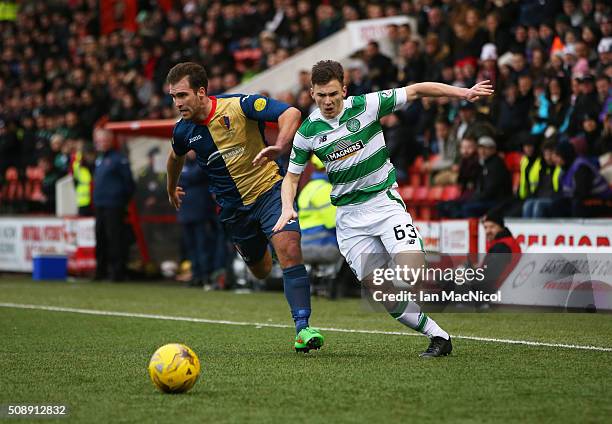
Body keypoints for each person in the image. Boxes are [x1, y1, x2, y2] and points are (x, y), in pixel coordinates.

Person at [274, 60, 494, 357]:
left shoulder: (367, 105)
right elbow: (291, 176)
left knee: (411, 273)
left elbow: (416, 90)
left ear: (344, 90)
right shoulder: (308, 132)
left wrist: (464, 93)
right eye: (321, 95)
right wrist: (287, 206)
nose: (327, 101)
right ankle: (438, 336)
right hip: (349, 220)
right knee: (381, 292)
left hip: (383, 204)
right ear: (311, 92)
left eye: (333, 94)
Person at [165, 62, 323, 352]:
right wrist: (170, 187)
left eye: (182, 95)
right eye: (174, 97)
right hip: (235, 211)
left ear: (201, 92)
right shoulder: (183, 131)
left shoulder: (240, 105)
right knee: (261, 270)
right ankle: (259, 248)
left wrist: (281, 145)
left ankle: (303, 328)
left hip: (269, 192)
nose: (177, 103)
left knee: (289, 247)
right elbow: (175, 157)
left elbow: (291, 113)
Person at [93, 128, 135, 282]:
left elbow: (129, 183)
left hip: (114, 205)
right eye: (98, 140)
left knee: (115, 239)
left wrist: (121, 200)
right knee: (100, 238)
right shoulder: (99, 159)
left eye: (103, 140)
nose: (100, 143)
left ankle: (117, 272)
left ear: (110, 140)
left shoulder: (118, 159)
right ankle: (100, 271)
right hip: (100, 205)